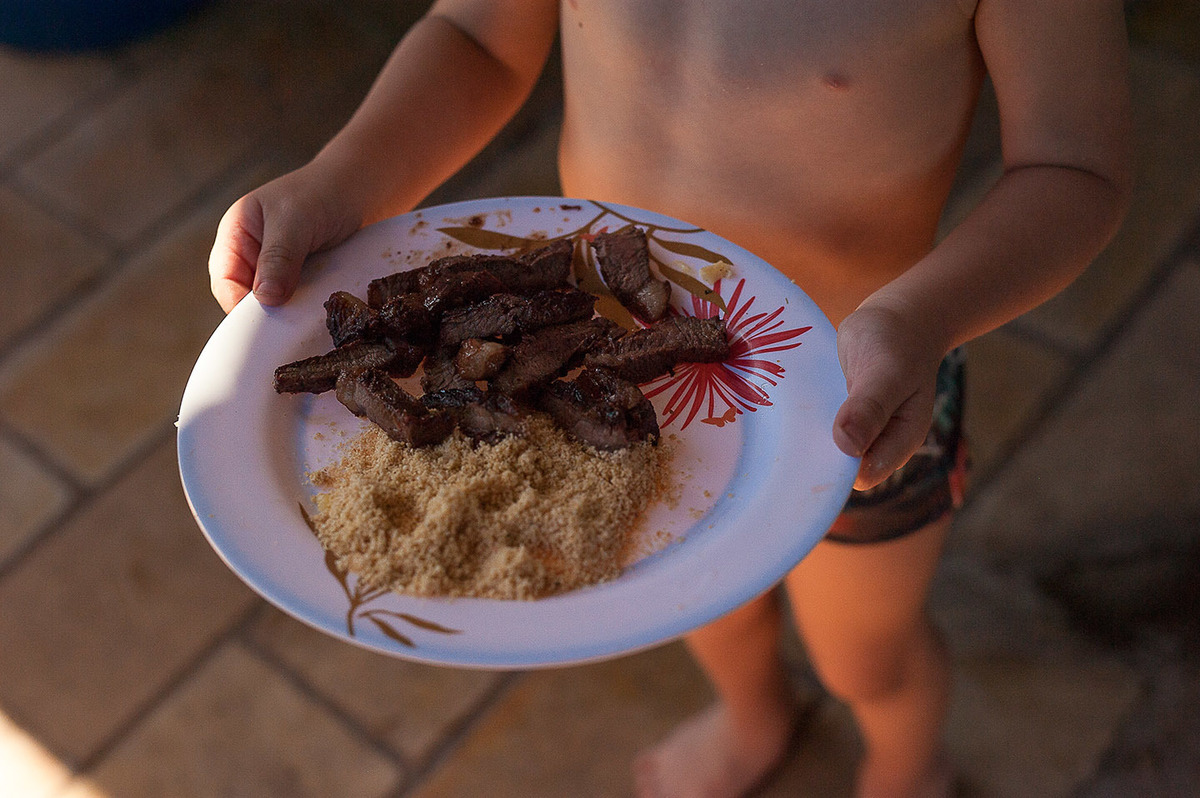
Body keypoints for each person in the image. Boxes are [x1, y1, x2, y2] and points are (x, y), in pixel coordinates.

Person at [209, 1, 1132, 795]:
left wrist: (922, 318)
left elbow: (1075, 167)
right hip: (607, 360)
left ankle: (905, 768)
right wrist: (341, 181)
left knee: (865, 653)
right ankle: (752, 712)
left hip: (867, 378)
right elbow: (478, 36)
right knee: (699, 595)